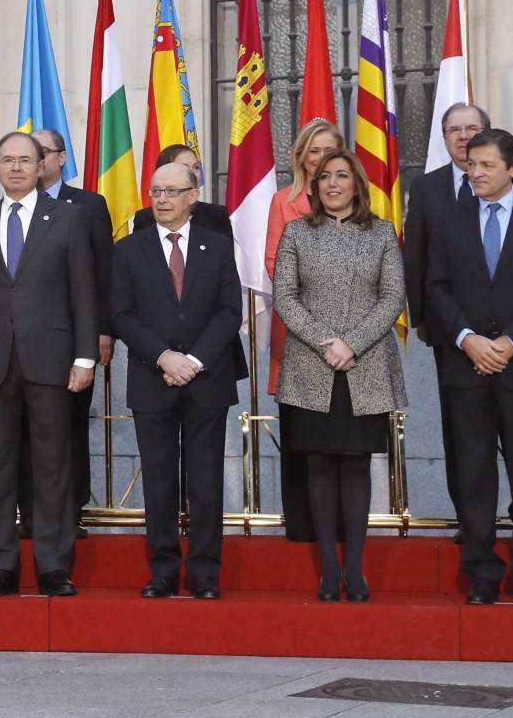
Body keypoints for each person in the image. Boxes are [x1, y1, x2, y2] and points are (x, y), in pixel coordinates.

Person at [424, 129, 513, 607]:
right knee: (473, 472)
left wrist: (509, 341)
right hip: (466, 366)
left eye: (487, 165)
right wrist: (468, 340)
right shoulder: (449, 219)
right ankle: (482, 573)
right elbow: (436, 287)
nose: (476, 172)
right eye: (471, 164)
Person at [0, 131, 96, 597]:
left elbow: (83, 293)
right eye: (7, 160)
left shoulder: (70, 220)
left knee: (53, 466)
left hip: (52, 360)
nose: (15, 168)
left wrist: (84, 356)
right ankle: (0, 567)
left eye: (25, 160)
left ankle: (54, 566)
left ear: (43, 167)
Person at [273, 150, 407, 602]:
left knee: (355, 465)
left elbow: (392, 297)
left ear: (357, 184)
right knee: (318, 463)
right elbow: (285, 297)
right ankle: (329, 570)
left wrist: (352, 343)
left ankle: (357, 569)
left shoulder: (382, 233)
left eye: (341, 176)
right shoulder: (296, 232)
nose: (332, 184)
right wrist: (327, 343)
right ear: (315, 186)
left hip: (365, 365)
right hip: (312, 366)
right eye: (325, 176)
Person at [111, 161, 243, 599]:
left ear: (193, 195)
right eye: (155, 192)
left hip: (207, 380)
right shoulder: (130, 249)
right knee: (160, 481)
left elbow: (229, 312)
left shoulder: (218, 247)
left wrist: (195, 359)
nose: (162, 199)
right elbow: (122, 315)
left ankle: (205, 573)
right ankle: (163, 571)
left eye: (171, 191)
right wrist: (165, 357)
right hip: (153, 379)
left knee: (205, 480)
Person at [403, 103, 513, 514]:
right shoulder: (427, 188)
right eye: (454, 130)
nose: (462, 137)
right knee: (462, 440)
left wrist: (507, 339)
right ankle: (470, 517)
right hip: (454, 336)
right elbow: (418, 260)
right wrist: (426, 321)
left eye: (471, 129)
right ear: (443, 139)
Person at [18, 127, 113, 543]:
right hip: (20, 343)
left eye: (42, 152)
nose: (34, 159)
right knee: (22, 429)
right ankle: (28, 511)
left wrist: (103, 333)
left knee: (70, 426)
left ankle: (70, 509)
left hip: (74, 341)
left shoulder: (88, 206)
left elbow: (102, 273)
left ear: (60, 158)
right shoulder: (10, 205)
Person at [262, 117, 344, 543]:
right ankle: (302, 531)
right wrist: (316, 321)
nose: (321, 157)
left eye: (329, 148)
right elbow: (277, 265)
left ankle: (343, 528)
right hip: (297, 334)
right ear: (302, 157)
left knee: (343, 436)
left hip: (351, 339)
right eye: (314, 150)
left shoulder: (357, 202)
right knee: (300, 434)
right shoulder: (283, 202)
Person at [130, 143, 234, 237]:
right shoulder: (145, 219)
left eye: (196, 167)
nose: (193, 174)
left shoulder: (216, 215)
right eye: (185, 167)